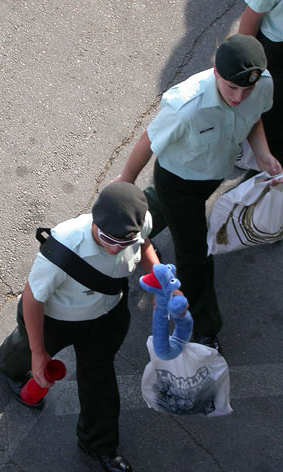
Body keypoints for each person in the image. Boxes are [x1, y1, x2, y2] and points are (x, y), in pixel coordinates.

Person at [114, 34, 283, 353]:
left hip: (212, 175)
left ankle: (118, 229)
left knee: (155, 212)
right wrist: (125, 179)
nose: (239, 96)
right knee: (195, 256)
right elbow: (148, 141)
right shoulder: (186, 104)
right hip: (178, 182)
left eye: (247, 89)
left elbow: (254, 117)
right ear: (216, 72)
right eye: (232, 87)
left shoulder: (261, 85)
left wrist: (262, 154)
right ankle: (205, 328)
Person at [0, 182, 161, 472]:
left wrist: (159, 276)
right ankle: (9, 364)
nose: (114, 248)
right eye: (107, 239)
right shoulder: (64, 247)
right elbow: (33, 297)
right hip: (56, 319)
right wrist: (37, 352)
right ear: (94, 221)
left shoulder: (140, 223)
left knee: (99, 377)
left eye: (123, 242)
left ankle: (99, 444)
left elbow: (145, 243)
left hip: (107, 316)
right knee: (28, 353)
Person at [239, 0, 283, 166]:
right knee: (263, 103)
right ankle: (247, 151)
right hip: (273, 49)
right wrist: (243, 61)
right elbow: (251, 16)